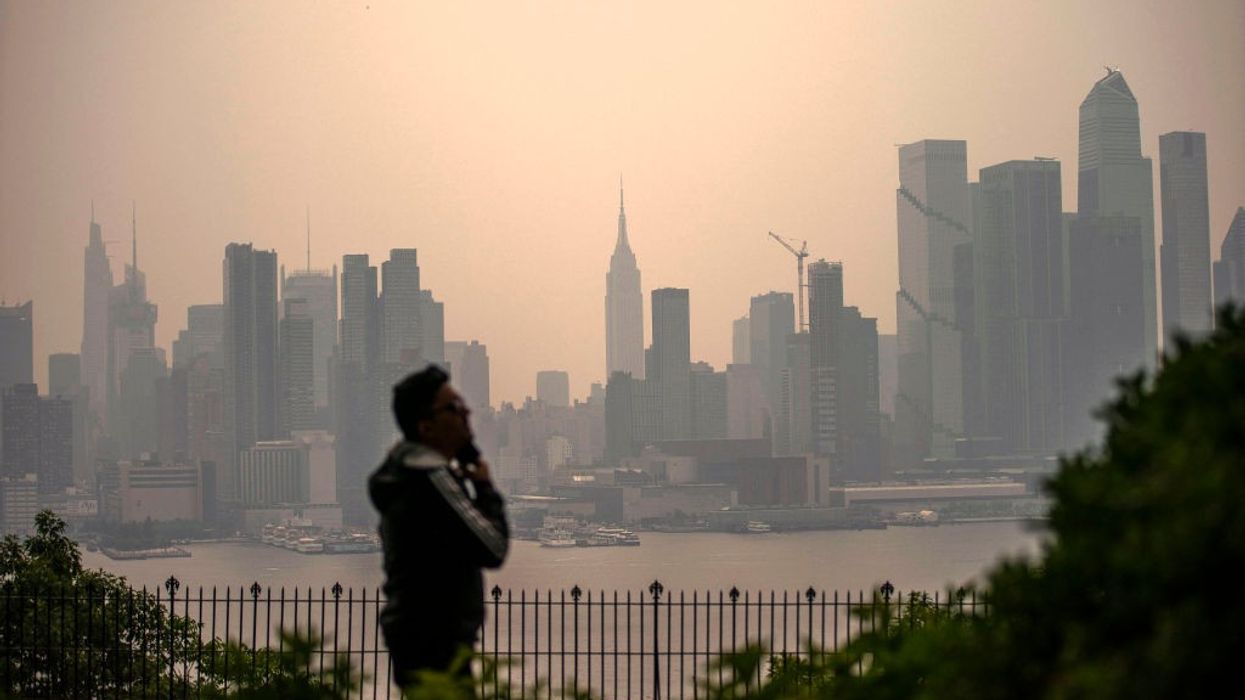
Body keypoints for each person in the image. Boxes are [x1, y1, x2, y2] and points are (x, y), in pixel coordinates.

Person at [369, 365, 509, 688]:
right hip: (438, 642)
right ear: (426, 427)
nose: (466, 413)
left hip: (414, 636)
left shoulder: (403, 474)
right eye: (453, 408)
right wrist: (486, 488)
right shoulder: (432, 480)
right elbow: (493, 547)